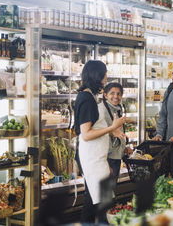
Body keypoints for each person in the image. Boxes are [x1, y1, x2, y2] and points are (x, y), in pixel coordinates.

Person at [74, 60, 126, 224]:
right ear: (98, 76)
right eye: (105, 75)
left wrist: (113, 131)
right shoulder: (87, 99)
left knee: (95, 200)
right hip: (92, 159)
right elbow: (86, 134)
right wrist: (112, 127)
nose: (106, 78)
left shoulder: (89, 96)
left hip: (97, 157)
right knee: (100, 201)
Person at [100, 82, 130, 183]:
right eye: (112, 93)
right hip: (106, 157)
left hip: (115, 155)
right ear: (105, 95)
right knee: (107, 191)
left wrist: (124, 147)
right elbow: (98, 132)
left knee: (111, 190)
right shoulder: (102, 110)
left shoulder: (117, 108)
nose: (116, 96)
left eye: (119, 94)